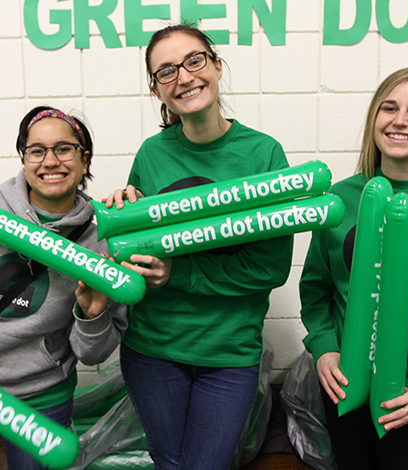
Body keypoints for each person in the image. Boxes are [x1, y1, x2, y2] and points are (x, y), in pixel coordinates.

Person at [104, 23, 293, 470]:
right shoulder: (151, 153)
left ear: (217, 65)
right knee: (169, 463)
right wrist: (122, 218)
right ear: (157, 90)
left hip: (227, 355)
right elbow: (134, 252)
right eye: (165, 71)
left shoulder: (264, 155)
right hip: (152, 350)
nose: (184, 77)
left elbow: (270, 270)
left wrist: (179, 273)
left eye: (194, 60)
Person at [299, 67, 408, 470]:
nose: (399, 120)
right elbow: (316, 290)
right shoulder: (339, 201)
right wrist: (325, 350)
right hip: (347, 388)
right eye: (389, 107)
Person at [0, 106, 127, 470]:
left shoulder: (104, 240)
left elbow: (92, 354)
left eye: (64, 148)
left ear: (84, 159)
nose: (49, 160)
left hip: (40, 396)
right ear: (23, 159)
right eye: (36, 150)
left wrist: (93, 313)